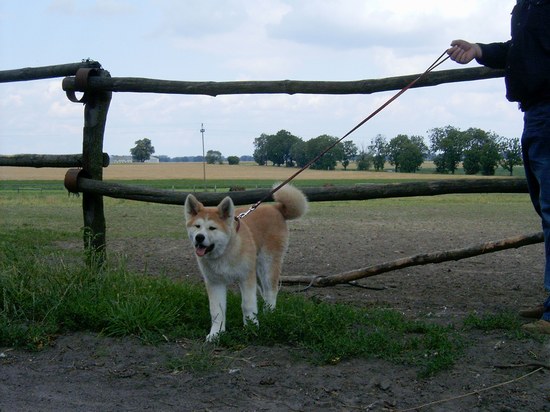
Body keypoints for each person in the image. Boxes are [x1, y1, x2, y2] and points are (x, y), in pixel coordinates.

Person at [447, 0, 550, 334]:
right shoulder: (527, 6)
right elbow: (520, 51)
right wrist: (479, 49)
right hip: (535, 112)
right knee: (546, 211)